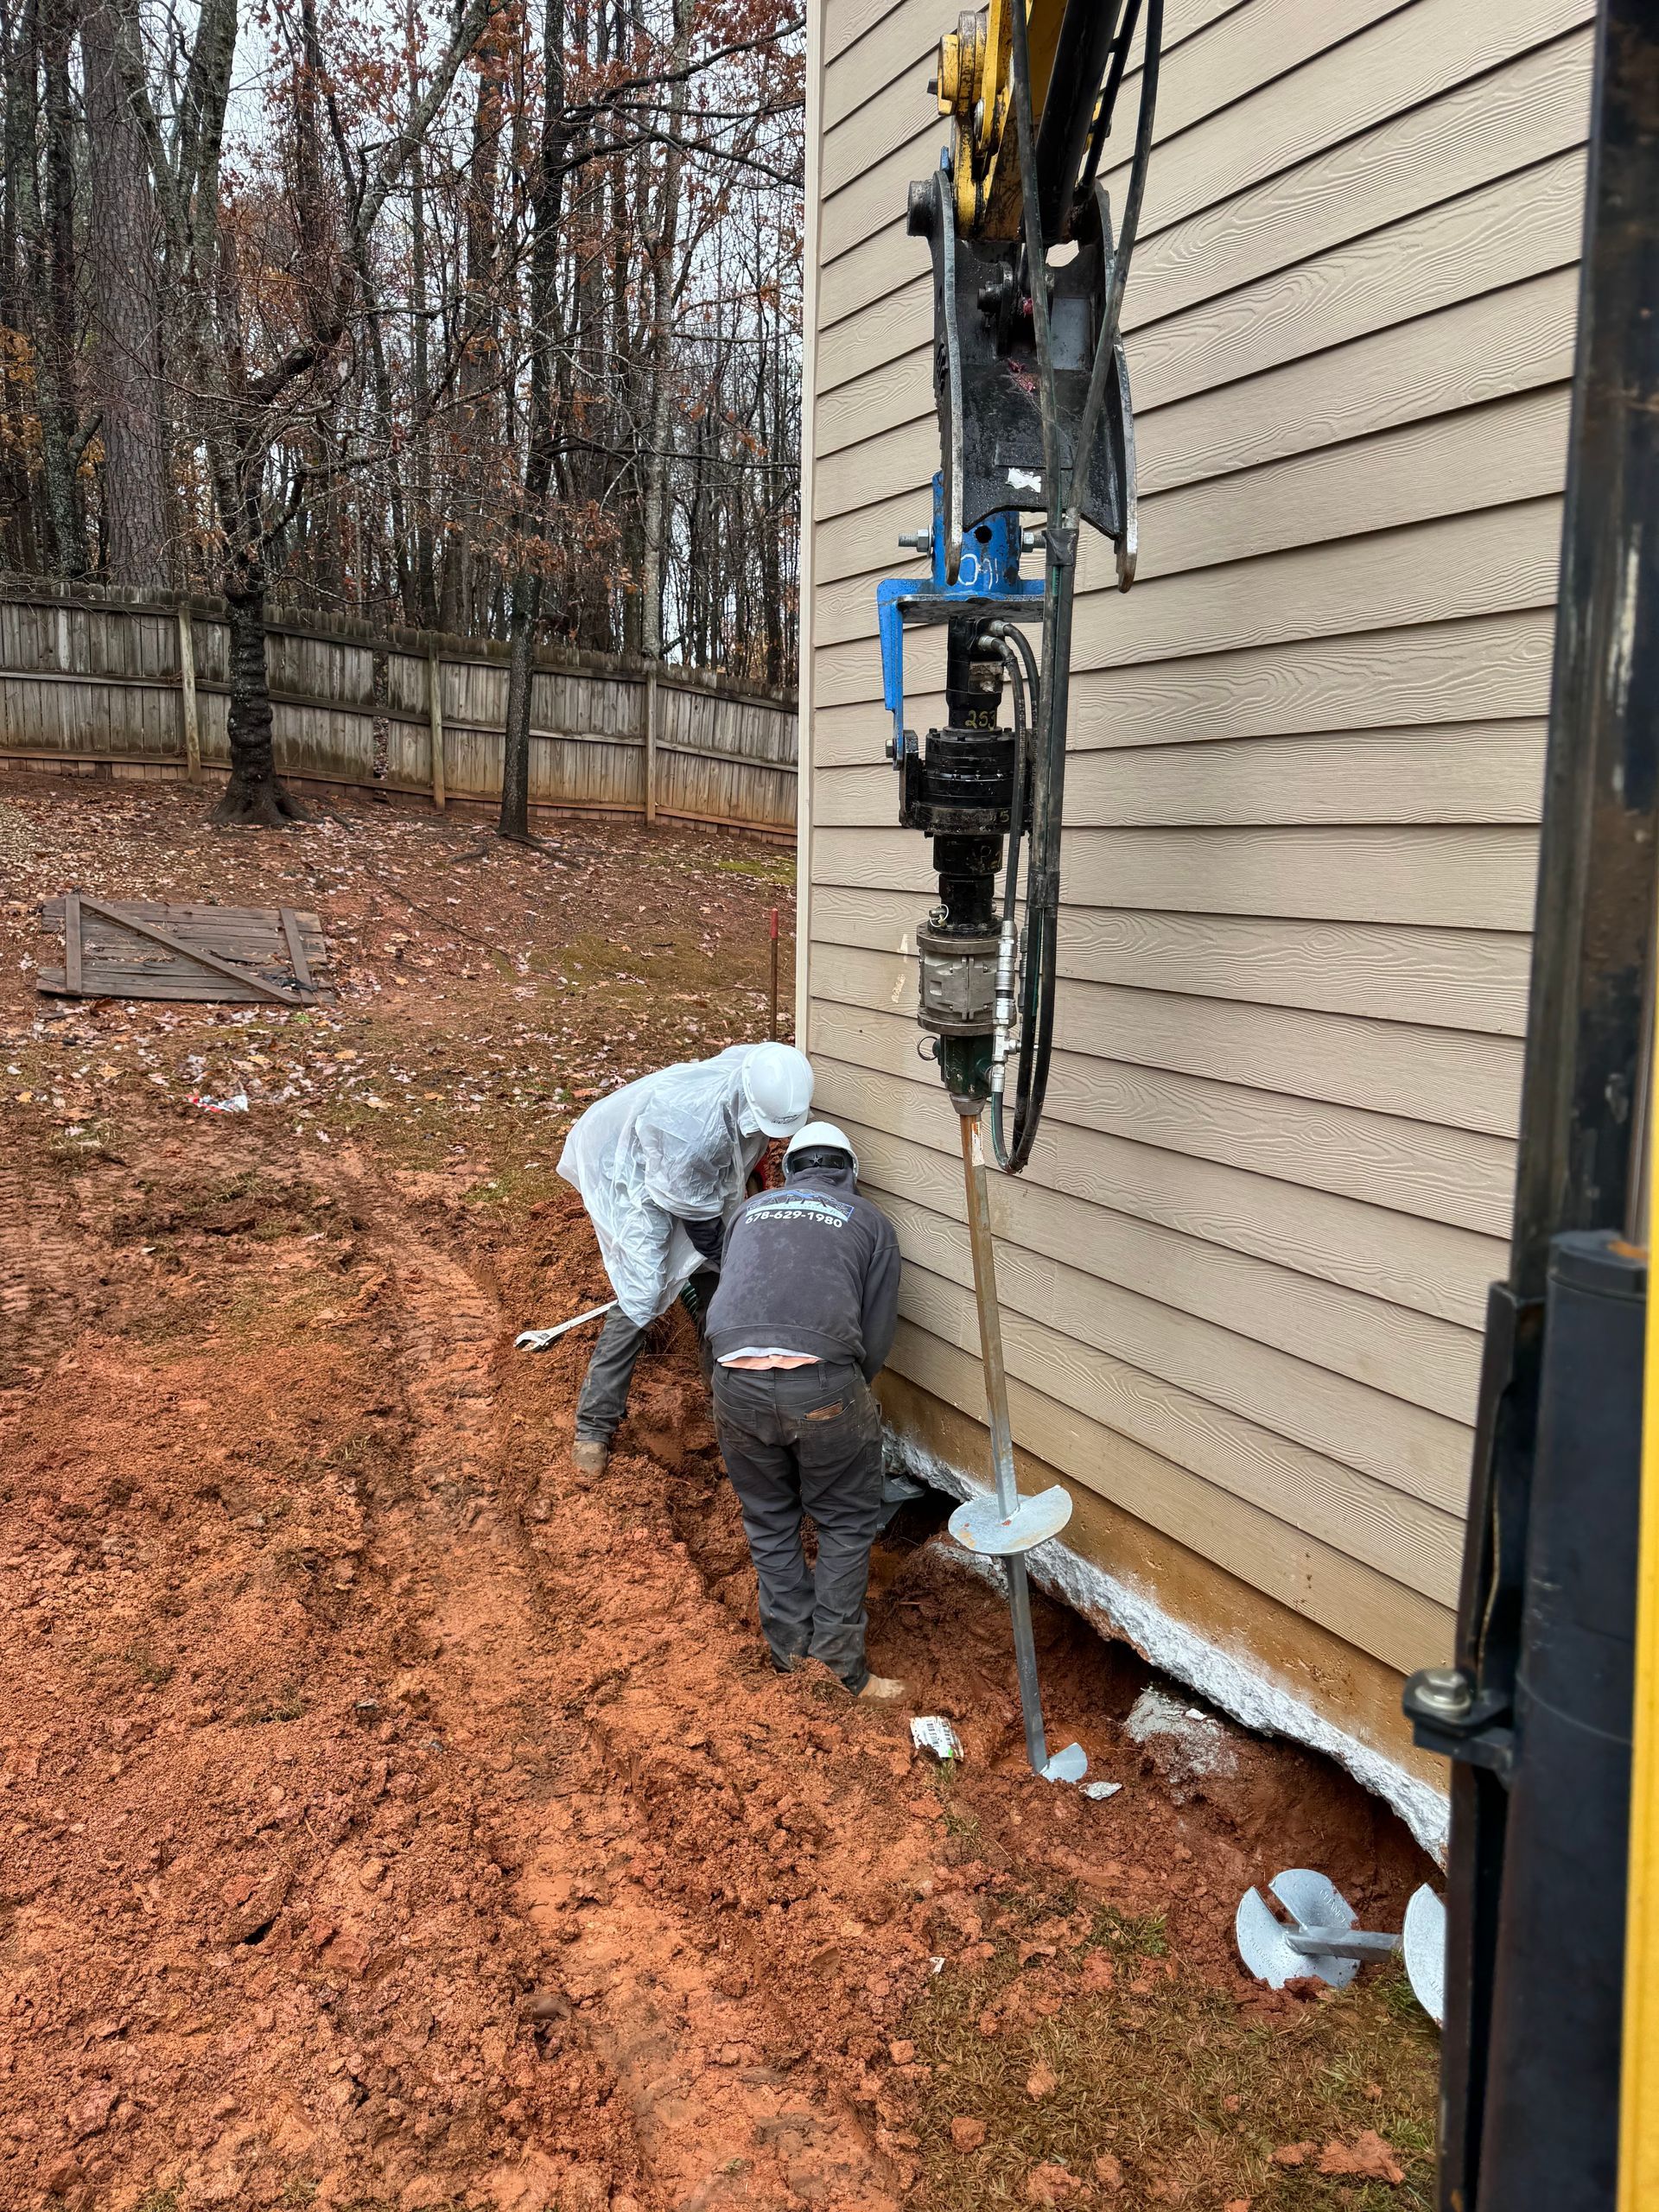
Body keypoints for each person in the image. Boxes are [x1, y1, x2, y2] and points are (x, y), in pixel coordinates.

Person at [704, 1121, 907, 1703]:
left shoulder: (748, 1212)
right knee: (844, 1520)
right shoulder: (869, 1222)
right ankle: (841, 1670)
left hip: (733, 1381)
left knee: (769, 1518)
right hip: (823, 1382)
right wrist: (840, 1398)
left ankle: (790, 1656)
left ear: (788, 1170)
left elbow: (735, 1293)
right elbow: (876, 1330)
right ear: (850, 1176)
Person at [558, 1040, 814, 1475]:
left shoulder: (766, 1072)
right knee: (641, 1296)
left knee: (721, 1296)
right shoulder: (693, 1130)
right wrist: (729, 1262)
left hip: (696, 1178)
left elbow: (714, 1192)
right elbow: (699, 1223)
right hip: (635, 1178)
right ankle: (594, 1427)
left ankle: (726, 1406)